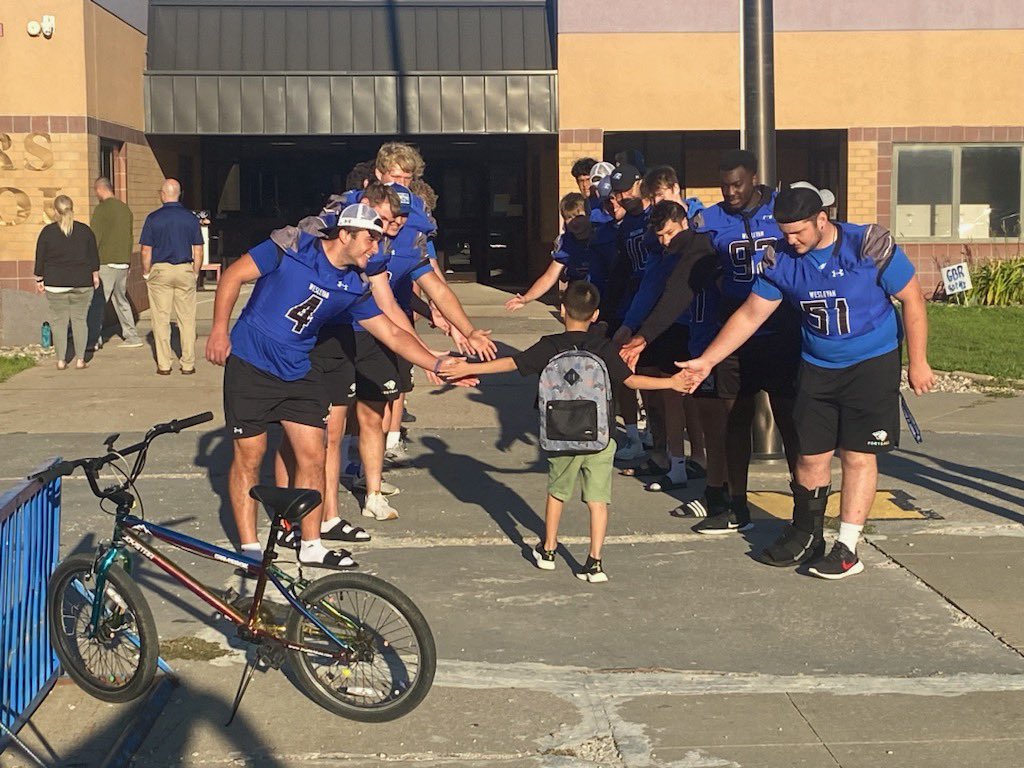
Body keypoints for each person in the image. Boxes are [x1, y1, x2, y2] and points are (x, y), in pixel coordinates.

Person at [680, 184, 935, 577]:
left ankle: (847, 547)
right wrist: (707, 361)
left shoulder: (866, 245)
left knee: (856, 454)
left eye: (798, 231)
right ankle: (806, 533)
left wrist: (918, 361)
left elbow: (913, 298)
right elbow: (751, 314)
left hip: (871, 362)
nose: (790, 240)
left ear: (822, 219)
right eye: (784, 232)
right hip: (817, 364)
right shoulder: (779, 258)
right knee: (810, 456)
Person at [205, 203, 459, 572]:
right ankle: (249, 548)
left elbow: (389, 331)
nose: (375, 249)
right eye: (370, 240)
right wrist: (218, 330)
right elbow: (232, 276)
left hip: (298, 369)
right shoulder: (290, 247)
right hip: (252, 364)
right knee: (250, 456)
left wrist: (436, 363)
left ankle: (310, 543)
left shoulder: (354, 286)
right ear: (345, 234)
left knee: (315, 453)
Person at [446, 282, 695, 583]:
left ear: (563, 310)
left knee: (557, 492)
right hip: (600, 436)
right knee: (598, 499)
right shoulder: (604, 348)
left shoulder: (550, 345)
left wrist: (467, 369)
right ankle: (595, 561)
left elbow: (513, 363)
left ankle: (549, 549)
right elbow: (632, 382)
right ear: (596, 315)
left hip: (560, 432)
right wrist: (672, 383)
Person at [684, 149, 801, 535]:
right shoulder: (712, 221)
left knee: (791, 422)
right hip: (736, 332)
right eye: (724, 185)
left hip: (781, 331)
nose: (730, 192)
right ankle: (736, 504)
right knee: (735, 420)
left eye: (737, 184)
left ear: (754, 178)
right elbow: (685, 275)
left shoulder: (781, 210)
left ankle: (804, 506)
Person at [140, 179, 204, 375]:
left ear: (163, 194)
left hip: (161, 269)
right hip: (184, 268)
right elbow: (198, 250)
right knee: (187, 319)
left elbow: (145, 250)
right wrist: (195, 272)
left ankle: (164, 364)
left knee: (161, 318)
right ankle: (188, 364)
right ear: (179, 193)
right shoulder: (191, 218)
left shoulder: (153, 218)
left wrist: (146, 272)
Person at [33, 195, 99, 370]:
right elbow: (93, 257)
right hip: (82, 282)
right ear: (72, 209)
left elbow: (40, 258)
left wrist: (39, 278)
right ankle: (80, 359)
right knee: (79, 320)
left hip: (55, 283)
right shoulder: (85, 231)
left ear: (55, 211)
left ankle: (61, 360)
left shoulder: (47, 232)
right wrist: (95, 275)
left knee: (59, 321)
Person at [505, 193, 592, 311]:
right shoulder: (566, 242)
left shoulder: (601, 236)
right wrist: (526, 298)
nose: (574, 222)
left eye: (579, 216)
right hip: (578, 290)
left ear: (589, 215)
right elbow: (549, 276)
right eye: (569, 217)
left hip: (601, 289)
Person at [90, 177, 143, 348]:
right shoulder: (125, 209)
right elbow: (129, 237)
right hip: (122, 262)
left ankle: (93, 339)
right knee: (121, 300)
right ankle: (132, 336)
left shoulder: (101, 210)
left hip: (106, 261)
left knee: (98, 302)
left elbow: (94, 238)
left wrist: (90, 262)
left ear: (100, 189)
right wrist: (127, 261)